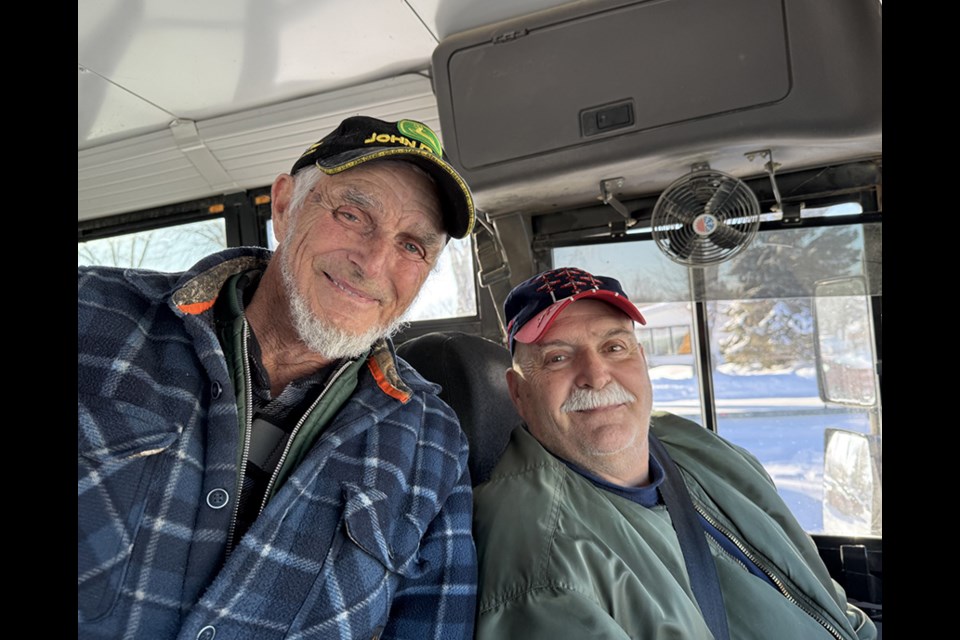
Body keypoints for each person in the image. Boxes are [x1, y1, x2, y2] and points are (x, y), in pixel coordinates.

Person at [78, 116, 478, 640]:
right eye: (353, 215)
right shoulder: (91, 316)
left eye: (412, 246)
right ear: (285, 207)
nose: (375, 262)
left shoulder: (435, 443)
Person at [472, 267, 876, 639]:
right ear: (518, 392)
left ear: (642, 360)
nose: (596, 376)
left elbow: (819, 597)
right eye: (558, 357)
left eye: (614, 347)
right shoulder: (542, 560)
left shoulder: (699, 449)